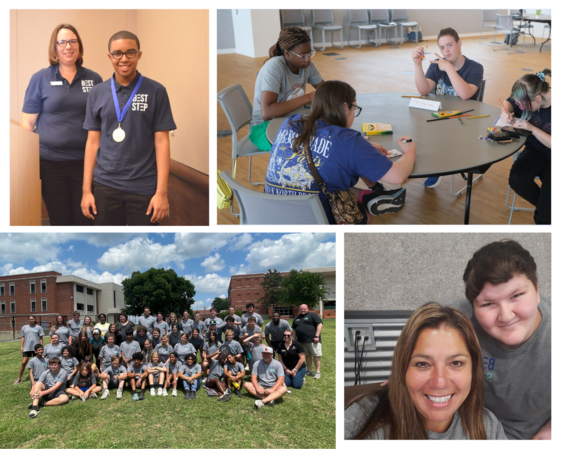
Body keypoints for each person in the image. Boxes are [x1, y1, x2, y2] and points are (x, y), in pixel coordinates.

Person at [345, 303, 506, 440]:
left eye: (456, 363)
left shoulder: (488, 427)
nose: (440, 382)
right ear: (402, 370)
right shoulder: (363, 421)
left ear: (473, 368)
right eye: (422, 364)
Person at [264, 80, 416, 223]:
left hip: (269, 212)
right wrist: (410, 151)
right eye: (355, 108)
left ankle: (371, 193)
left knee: (332, 175)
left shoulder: (291, 122)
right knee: (365, 215)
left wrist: (362, 148)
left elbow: (319, 144)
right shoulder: (348, 140)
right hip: (311, 219)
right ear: (345, 107)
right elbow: (397, 177)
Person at [81, 30, 176, 226]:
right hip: (106, 185)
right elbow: (92, 143)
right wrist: (86, 191)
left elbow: (162, 142)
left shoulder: (156, 91)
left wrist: (162, 193)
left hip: (144, 187)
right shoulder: (97, 93)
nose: (124, 59)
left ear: (139, 55)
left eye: (130, 52)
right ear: (110, 57)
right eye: (117, 53)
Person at [463, 240, 551, 439]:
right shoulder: (457, 320)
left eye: (516, 295)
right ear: (472, 307)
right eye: (488, 304)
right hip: (470, 426)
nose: (506, 315)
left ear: (537, 291)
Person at [20, 24, 103, 226]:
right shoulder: (40, 78)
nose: (68, 46)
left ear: (79, 46)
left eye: (73, 41)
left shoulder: (94, 79)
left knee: (86, 219)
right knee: (60, 220)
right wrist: (26, 166)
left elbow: (102, 122)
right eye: (62, 42)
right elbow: (28, 123)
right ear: (55, 48)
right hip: (50, 163)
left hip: (86, 163)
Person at [412, 27, 484, 188]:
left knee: (436, 136)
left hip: (463, 121)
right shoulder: (437, 66)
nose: (446, 50)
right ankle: (432, 165)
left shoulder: (475, 68)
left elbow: (465, 94)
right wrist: (418, 65)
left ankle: (437, 167)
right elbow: (424, 90)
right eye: (442, 47)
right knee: (419, 129)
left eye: (450, 45)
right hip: (440, 117)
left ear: (459, 43)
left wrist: (449, 68)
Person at [250, 27, 324, 152]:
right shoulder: (274, 67)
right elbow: (267, 113)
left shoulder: (307, 65)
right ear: (287, 53)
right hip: (264, 128)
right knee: (311, 146)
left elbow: (323, 90)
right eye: (302, 55)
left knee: (324, 136)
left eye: (309, 53)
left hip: (290, 120)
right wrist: (308, 97)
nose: (308, 59)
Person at [501, 70, 551, 225]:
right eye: (519, 105)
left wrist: (533, 129)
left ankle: (546, 215)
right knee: (516, 179)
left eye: (523, 105)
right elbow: (508, 101)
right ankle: (548, 210)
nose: (521, 108)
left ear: (537, 98)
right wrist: (505, 112)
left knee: (544, 217)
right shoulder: (527, 95)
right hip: (535, 151)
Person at [292, 304, 323, 379]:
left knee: (316, 355)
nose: (302, 310)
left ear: (308, 309)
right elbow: (294, 329)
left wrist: (316, 336)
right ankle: (309, 371)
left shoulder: (313, 315)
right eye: (301, 309)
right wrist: (294, 339)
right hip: (301, 341)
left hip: (313, 340)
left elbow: (320, 324)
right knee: (307, 356)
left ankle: (318, 372)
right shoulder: (296, 318)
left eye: (304, 309)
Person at [15, 315, 44, 385]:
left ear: (35, 319)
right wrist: (21, 347)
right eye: (30, 319)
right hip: (27, 348)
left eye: (32, 319)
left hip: (36, 348)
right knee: (24, 362)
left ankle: (39, 377)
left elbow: (41, 338)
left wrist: (41, 347)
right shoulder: (24, 327)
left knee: (37, 363)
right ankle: (19, 378)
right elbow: (23, 338)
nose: (31, 320)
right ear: (28, 320)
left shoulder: (39, 327)